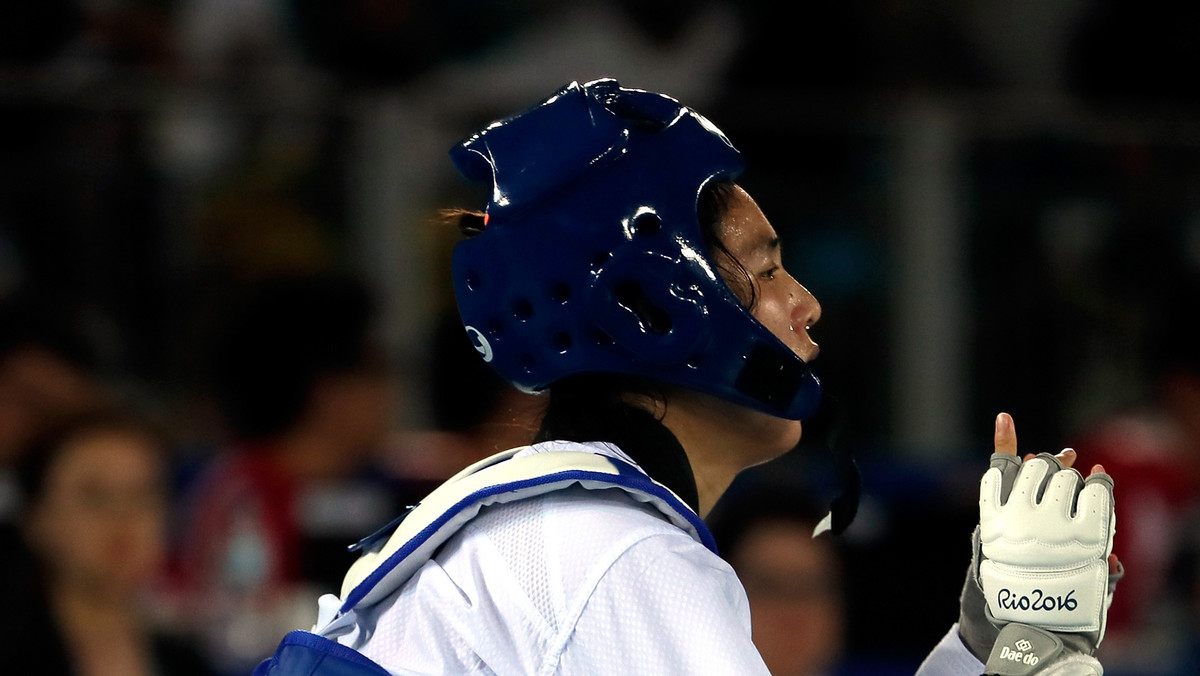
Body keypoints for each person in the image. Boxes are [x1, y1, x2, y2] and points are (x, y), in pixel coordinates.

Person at [255, 79, 1120, 675]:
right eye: (769, 269)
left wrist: (990, 643)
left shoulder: (554, 526)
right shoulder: (621, 553)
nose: (807, 304)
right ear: (654, 308)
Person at [1, 409, 215, 676]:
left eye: (142, 495)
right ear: (35, 518)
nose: (123, 516)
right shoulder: (13, 652)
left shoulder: (190, 661)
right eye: (94, 495)